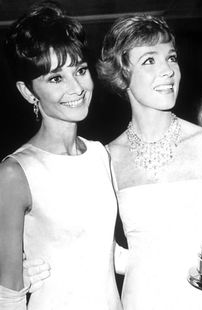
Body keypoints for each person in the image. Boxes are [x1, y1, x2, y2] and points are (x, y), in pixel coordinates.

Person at [26, 14, 202, 310]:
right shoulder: (104, 158)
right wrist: (36, 264)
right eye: (150, 60)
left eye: (171, 57)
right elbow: (99, 250)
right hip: (143, 300)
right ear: (122, 74)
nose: (168, 71)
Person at [0, 2, 122, 309]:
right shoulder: (16, 172)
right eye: (56, 78)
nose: (77, 87)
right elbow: (8, 292)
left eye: (80, 70)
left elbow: (107, 254)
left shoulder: (100, 155)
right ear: (28, 92)